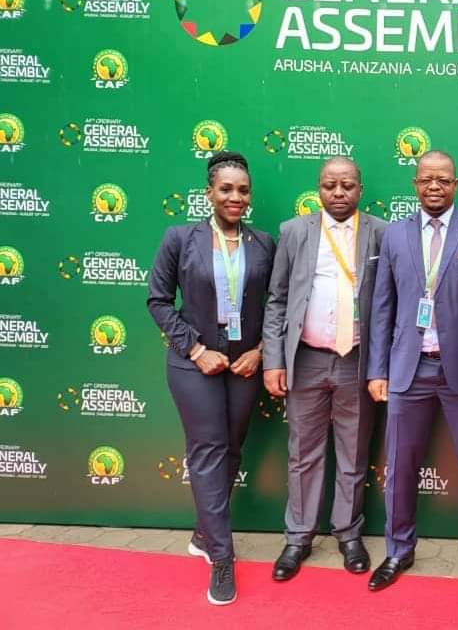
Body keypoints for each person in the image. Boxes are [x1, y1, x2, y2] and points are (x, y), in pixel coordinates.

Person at [366, 150, 458, 599]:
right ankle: (399, 550)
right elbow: (382, 308)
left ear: (456, 184)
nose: (435, 187)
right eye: (427, 179)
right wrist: (378, 369)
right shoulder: (395, 236)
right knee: (400, 467)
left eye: (443, 180)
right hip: (408, 369)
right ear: (415, 183)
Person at [147, 151, 275, 606]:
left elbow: (273, 307)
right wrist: (197, 350)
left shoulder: (263, 244)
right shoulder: (180, 238)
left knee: (232, 448)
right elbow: (158, 300)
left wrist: (259, 352)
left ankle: (204, 532)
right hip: (194, 364)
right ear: (209, 193)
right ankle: (222, 557)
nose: (235, 197)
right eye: (226, 189)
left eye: (242, 190)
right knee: (207, 451)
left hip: (243, 367)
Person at [261, 157, 386, 581]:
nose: (338, 193)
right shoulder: (294, 232)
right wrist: (274, 360)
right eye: (330, 185)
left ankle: (349, 534)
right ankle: (298, 537)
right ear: (318, 188)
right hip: (307, 359)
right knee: (303, 454)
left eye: (347, 185)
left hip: (357, 361)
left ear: (360, 189)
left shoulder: (381, 233)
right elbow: (277, 300)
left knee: (353, 453)